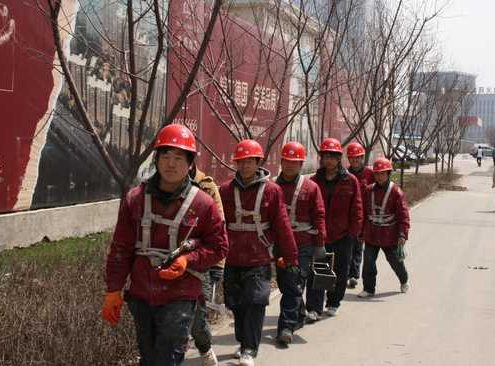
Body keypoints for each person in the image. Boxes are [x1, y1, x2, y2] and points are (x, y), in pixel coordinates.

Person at [102, 124, 229, 366]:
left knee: (169, 355)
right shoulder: (135, 199)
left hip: (180, 294)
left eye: (179, 158)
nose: (171, 164)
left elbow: (219, 247)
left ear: (190, 163)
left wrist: (187, 260)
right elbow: (121, 248)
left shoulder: (203, 203)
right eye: (166, 156)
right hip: (141, 293)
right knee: (148, 356)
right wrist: (113, 290)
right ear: (157, 159)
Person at [220, 139, 299, 366]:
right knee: (236, 304)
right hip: (233, 258)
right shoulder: (225, 190)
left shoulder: (272, 191)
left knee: (255, 301)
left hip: (259, 258)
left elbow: (283, 226)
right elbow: (215, 224)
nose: (244, 166)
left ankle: (249, 350)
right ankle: (244, 341)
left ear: (258, 162)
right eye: (240, 162)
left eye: (249, 162)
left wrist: (291, 256)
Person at [274, 141, 327, 346]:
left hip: (303, 243)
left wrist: (320, 242)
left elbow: (319, 215)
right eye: (286, 161)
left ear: (301, 163)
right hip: (279, 243)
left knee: (294, 281)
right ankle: (300, 312)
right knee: (285, 282)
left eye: (294, 162)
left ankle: (286, 327)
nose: (289, 165)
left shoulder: (311, 187)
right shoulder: (272, 187)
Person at [310, 138, 363, 318]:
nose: (329, 160)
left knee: (341, 271)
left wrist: (354, 233)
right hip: (320, 234)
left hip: (343, 235)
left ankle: (333, 301)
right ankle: (315, 308)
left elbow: (357, 208)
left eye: (333, 156)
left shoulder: (350, 181)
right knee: (319, 269)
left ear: (339, 158)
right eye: (326, 156)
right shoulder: (314, 181)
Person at [358, 157, 410, 298]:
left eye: (382, 173)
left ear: (388, 173)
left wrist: (402, 234)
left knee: (395, 261)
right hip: (372, 233)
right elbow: (363, 212)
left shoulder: (396, 192)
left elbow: (403, 214)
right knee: (368, 262)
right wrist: (361, 231)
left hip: (390, 234)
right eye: (377, 173)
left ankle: (404, 279)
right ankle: (369, 288)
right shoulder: (368, 191)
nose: (379, 176)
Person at [189, 163, 225, 366]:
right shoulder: (155, 189)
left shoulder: (206, 187)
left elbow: (218, 229)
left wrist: (218, 265)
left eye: (179, 157)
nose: (172, 163)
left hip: (198, 264)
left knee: (197, 316)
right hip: (166, 263)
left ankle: (204, 347)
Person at [346, 142, 375, 289]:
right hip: (348, 216)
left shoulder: (370, 174)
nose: (355, 160)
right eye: (352, 158)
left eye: (357, 158)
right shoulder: (345, 174)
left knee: (358, 246)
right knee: (347, 247)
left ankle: (353, 275)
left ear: (362, 157)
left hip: (364, 217)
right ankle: (346, 272)